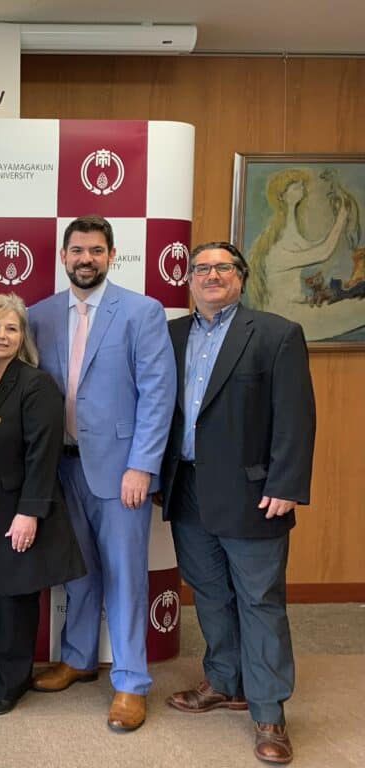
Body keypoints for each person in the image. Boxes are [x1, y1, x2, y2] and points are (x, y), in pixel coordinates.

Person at [159, 241, 315, 765]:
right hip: (187, 488)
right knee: (209, 594)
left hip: (254, 492)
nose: (210, 276)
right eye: (200, 268)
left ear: (241, 277)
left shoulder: (275, 334)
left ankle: (269, 711)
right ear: (188, 280)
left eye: (222, 267)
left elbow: (295, 416)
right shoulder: (172, 334)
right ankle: (224, 680)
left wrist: (287, 482)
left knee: (260, 600)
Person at [27, 214, 175, 732]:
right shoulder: (39, 315)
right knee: (78, 571)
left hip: (120, 473)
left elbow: (158, 394)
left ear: (111, 256)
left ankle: (131, 681)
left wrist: (142, 466)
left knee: (126, 575)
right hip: (61, 469)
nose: (85, 259)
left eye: (95, 250)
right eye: (76, 251)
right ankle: (78, 657)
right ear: (63, 257)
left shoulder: (141, 311)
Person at [0, 293, 86, 716]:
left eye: (11, 328)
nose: (1, 336)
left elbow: (42, 454)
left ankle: (13, 680)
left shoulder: (35, 383)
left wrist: (30, 512)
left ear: (22, 336)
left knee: (12, 596)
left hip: (13, 509)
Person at [246, 168, 362, 340]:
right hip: (286, 318)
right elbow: (323, 252)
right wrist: (341, 219)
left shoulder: (290, 232)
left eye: (301, 185)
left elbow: (319, 247)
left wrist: (339, 221)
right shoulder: (276, 246)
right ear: (282, 196)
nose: (301, 188)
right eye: (294, 186)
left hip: (295, 312)